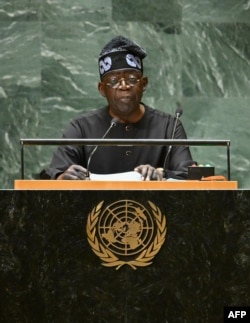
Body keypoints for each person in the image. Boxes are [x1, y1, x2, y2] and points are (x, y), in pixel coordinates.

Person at [41, 35, 195, 181]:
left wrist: (162, 174)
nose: (124, 86)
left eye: (132, 79)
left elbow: (190, 175)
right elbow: (53, 173)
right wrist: (62, 177)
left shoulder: (169, 126)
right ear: (102, 89)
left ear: (144, 84)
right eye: (114, 81)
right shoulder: (81, 128)